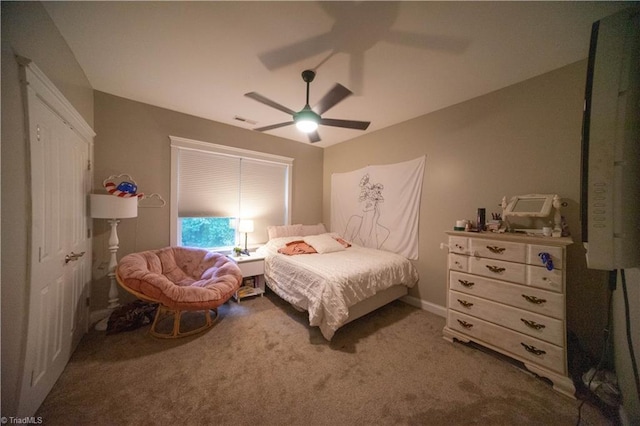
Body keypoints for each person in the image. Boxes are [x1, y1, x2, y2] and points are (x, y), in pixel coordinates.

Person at [344, 174, 390, 249]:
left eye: (372, 199)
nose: (368, 201)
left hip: (371, 214)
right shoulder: (355, 219)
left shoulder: (384, 232)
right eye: (367, 198)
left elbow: (380, 200)